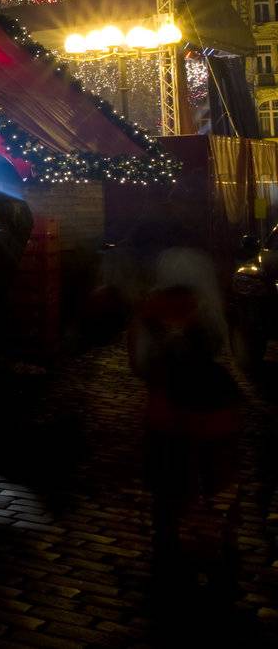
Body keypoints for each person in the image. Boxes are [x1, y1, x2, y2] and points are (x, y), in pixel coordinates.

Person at [128, 249, 244, 594]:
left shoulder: (149, 310)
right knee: (215, 490)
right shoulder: (207, 308)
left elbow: (140, 364)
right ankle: (218, 554)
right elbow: (226, 346)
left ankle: (171, 557)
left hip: (166, 420)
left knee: (167, 495)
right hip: (214, 421)